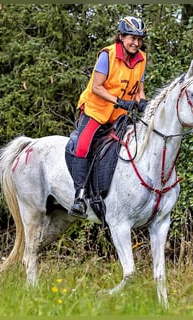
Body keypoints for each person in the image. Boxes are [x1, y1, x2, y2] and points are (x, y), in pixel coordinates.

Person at [68, 16, 148, 218]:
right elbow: (96, 87)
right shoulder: (107, 55)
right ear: (121, 37)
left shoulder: (142, 59)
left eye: (139, 39)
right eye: (132, 38)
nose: (136, 43)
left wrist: (142, 101)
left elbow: (139, 90)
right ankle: (79, 196)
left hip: (120, 115)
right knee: (83, 145)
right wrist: (120, 101)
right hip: (96, 110)